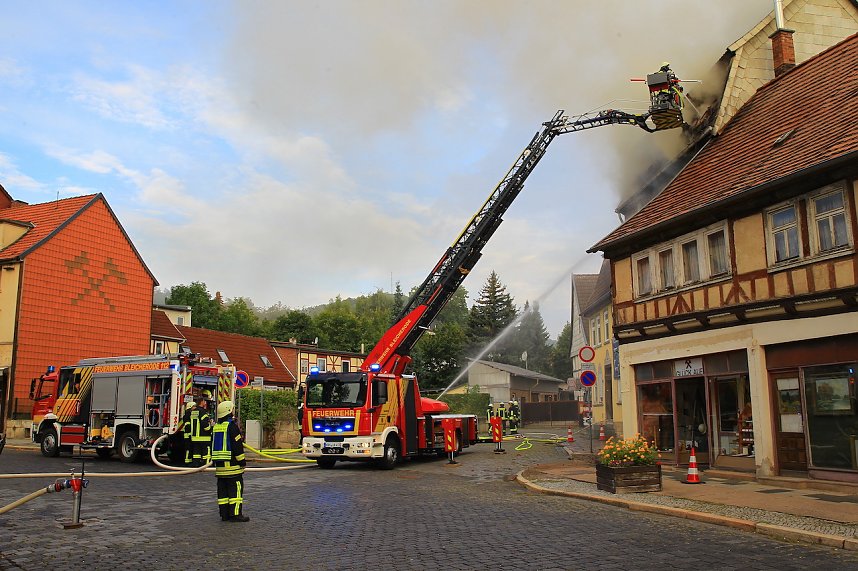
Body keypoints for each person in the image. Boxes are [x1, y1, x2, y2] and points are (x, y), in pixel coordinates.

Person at [211, 400, 249, 522]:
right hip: (233, 467)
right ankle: (236, 514)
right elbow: (237, 446)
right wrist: (242, 461)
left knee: (223, 493)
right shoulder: (232, 427)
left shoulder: (216, 427)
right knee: (235, 492)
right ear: (229, 411)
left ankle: (224, 514)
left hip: (220, 468)